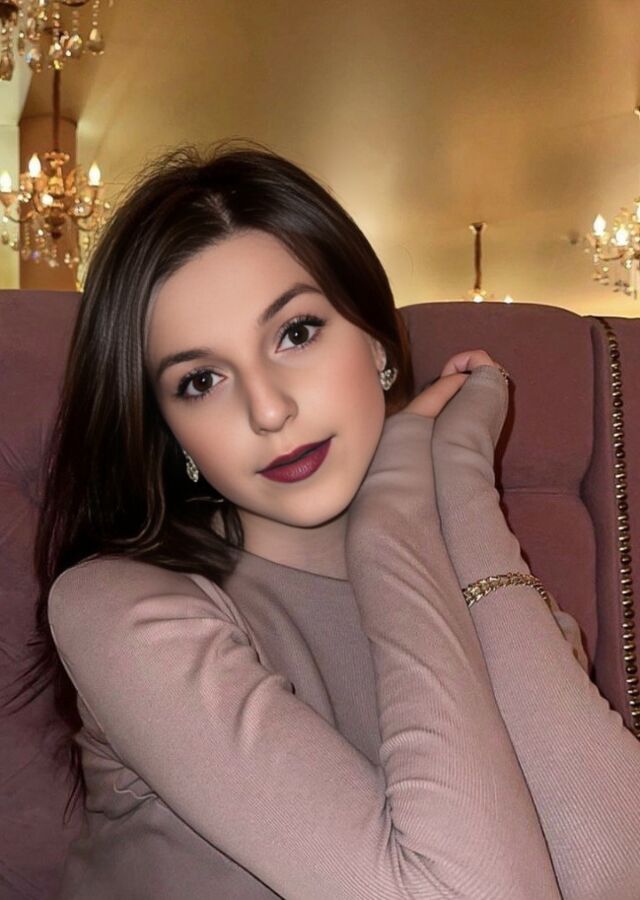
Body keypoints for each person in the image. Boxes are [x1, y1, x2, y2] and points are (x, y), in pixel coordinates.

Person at [32, 141, 639, 899]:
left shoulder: (472, 573)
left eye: (296, 333)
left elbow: (618, 868)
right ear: (168, 430)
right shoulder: (121, 613)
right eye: (201, 380)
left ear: (376, 341)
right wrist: (397, 511)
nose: (268, 409)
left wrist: (456, 486)